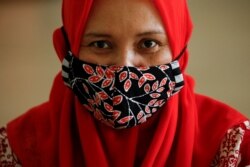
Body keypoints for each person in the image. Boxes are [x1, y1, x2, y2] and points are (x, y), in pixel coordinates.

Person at [0, 0, 249, 166]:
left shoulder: (233, 145)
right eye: (101, 44)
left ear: (179, 50)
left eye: (148, 43)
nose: (124, 67)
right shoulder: (17, 149)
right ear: (67, 48)